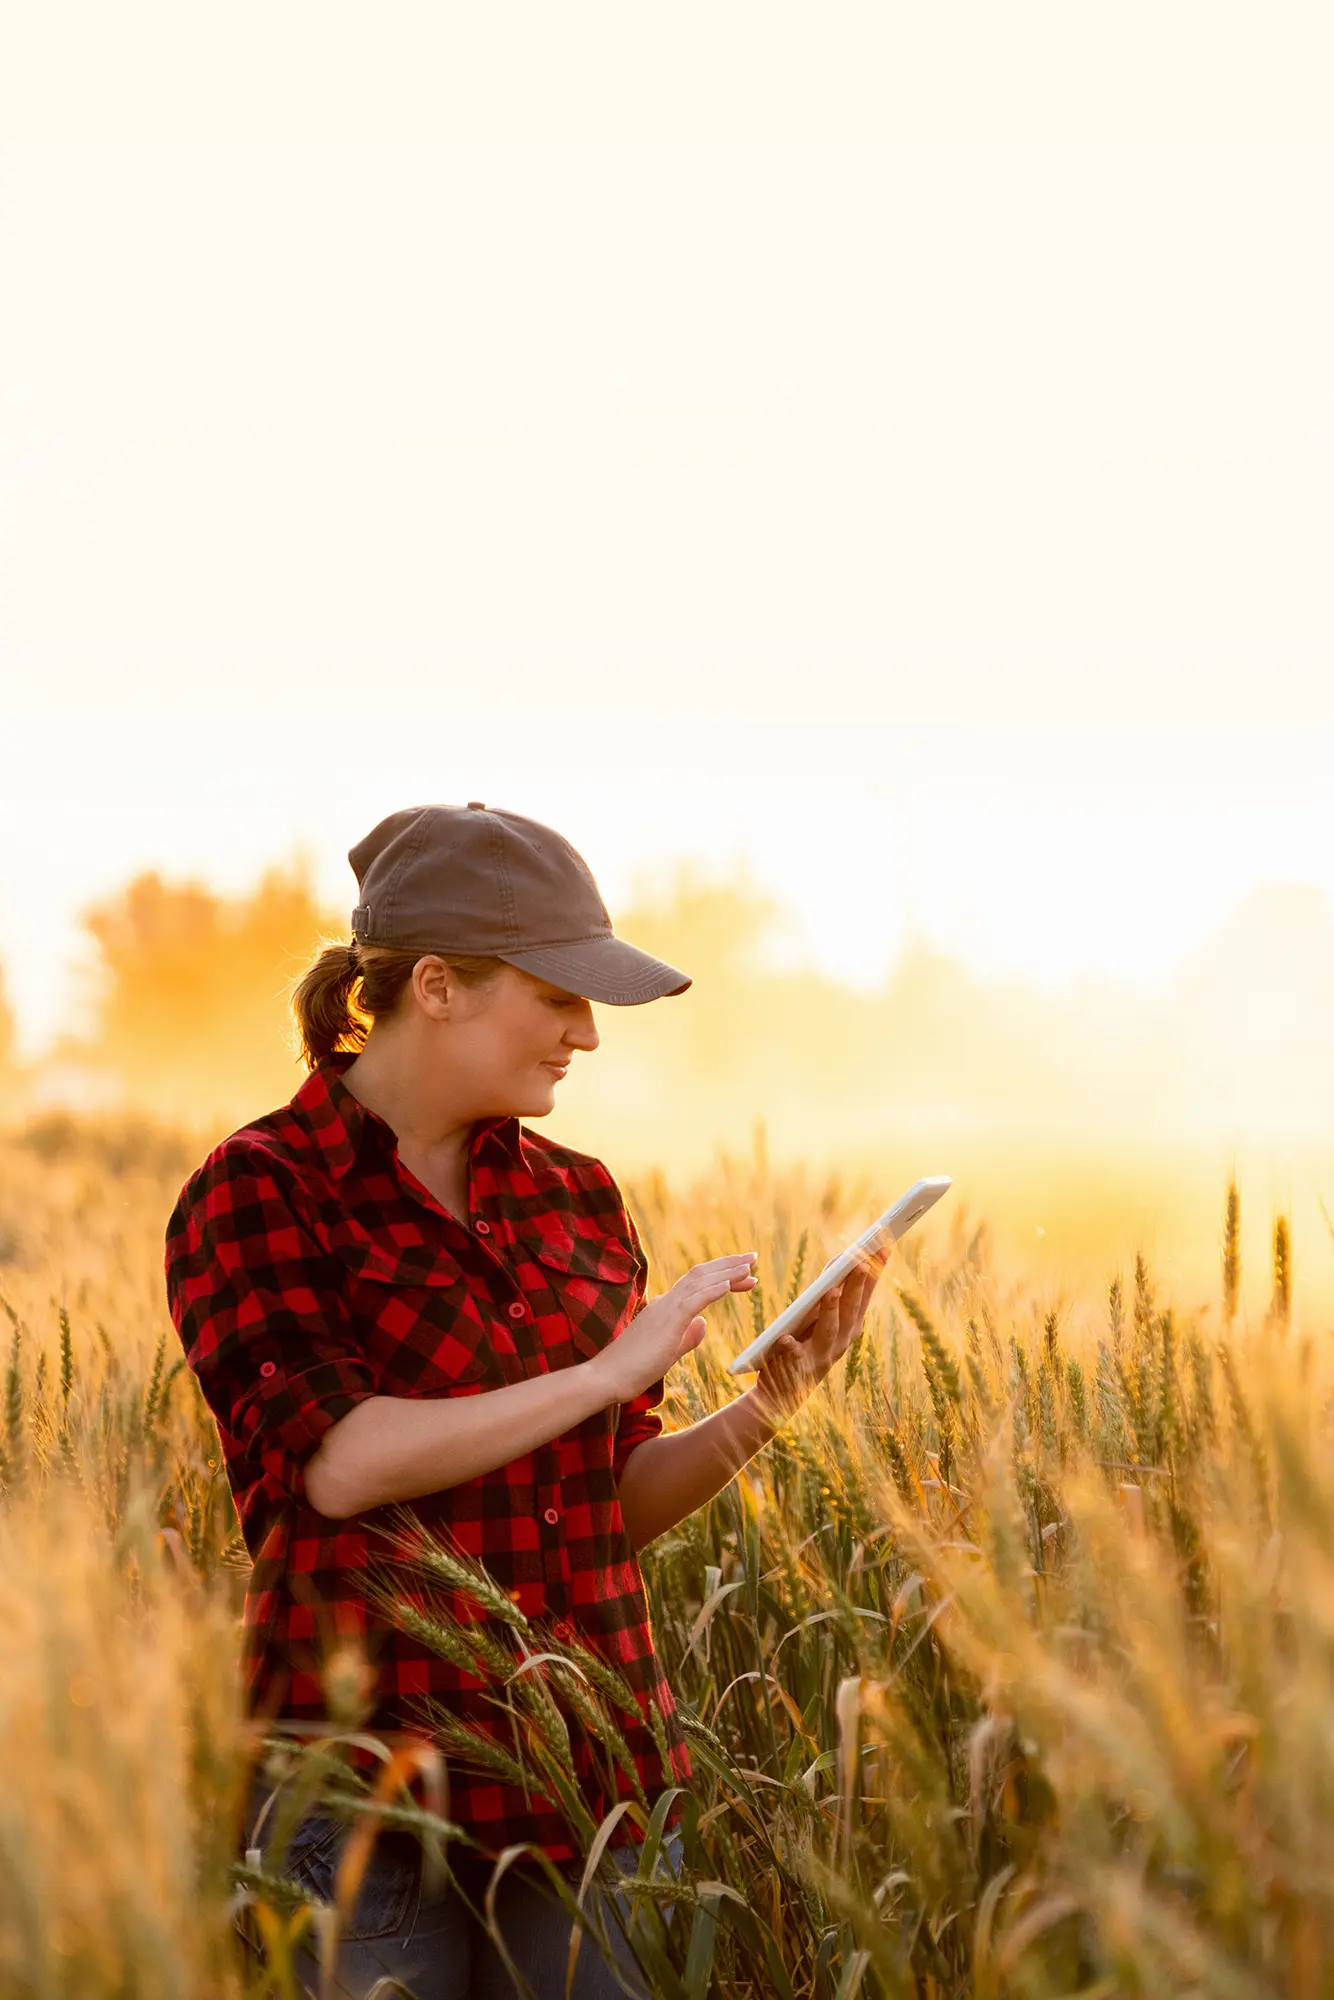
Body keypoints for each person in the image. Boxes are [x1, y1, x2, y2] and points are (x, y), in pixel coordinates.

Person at [165, 801, 884, 2000]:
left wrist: (771, 1401)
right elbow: (340, 1462)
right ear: (435, 984)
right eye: (556, 995)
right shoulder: (258, 1189)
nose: (585, 1034)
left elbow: (604, 1502)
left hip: (587, 1789)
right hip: (369, 1803)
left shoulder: (578, 1199)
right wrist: (602, 1373)